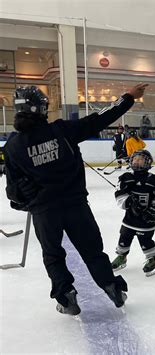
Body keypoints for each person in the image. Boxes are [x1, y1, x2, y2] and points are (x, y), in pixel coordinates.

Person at [4, 83, 147, 315]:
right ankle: (111, 286)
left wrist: (25, 197)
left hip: (44, 212)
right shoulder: (62, 130)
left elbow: (13, 192)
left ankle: (66, 295)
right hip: (75, 205)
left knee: (53, 255)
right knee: (92, 250)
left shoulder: (12, 146)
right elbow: (99, 119)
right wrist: (128, 97)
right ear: (41, 108)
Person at [111, 150, 155, 277]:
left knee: (145, 240)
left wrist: (151, 212)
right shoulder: (126, 178)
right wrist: (129, 202)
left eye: (140, 159)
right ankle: (121, 257)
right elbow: (120, 196)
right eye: (135, 159)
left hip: (147, 219)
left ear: (147, 162)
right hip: (129, 218)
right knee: (124, 237)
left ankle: (153, 260)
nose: (137, 161)